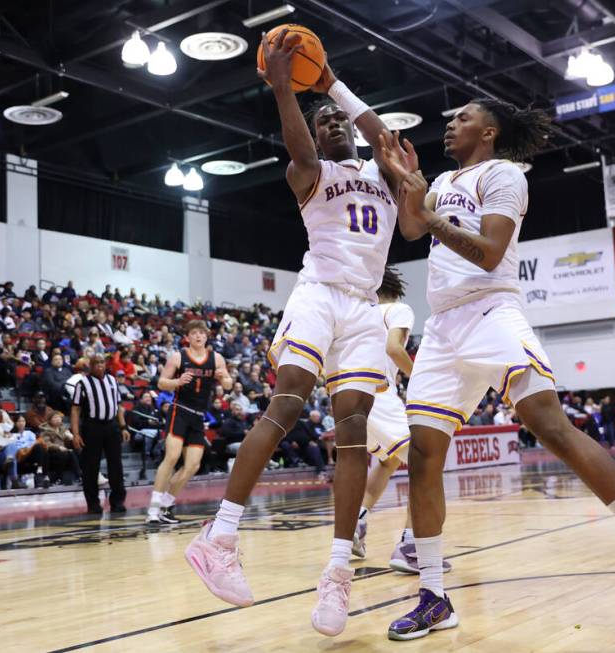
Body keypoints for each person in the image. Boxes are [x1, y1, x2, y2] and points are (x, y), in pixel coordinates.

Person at [377, 98, 615, 640]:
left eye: (462, 117)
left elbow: (489, 251)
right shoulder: (445, 180)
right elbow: (411, 229)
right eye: (448, 116)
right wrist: (404, 179)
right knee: (425, 454)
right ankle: (433, 594)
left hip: (490, 311)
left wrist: (427, 210)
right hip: (445, 327)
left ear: (490, 130)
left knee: (551, 428)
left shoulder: (503, 175)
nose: (449, 122)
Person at [184, 36, 405, 638]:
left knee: (355, 433)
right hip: (319, 295)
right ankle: (220, 535)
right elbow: (300, 143)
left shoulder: (384, 174)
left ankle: (337, 572)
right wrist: (286, 89)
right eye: (323, 120)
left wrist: (330, 79)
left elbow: (381, 135)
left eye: (338, 117)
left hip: (363, 309)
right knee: (285, 407)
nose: (333, 121)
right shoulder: (308, 171)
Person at [351, 266, 440, 575]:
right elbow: (393, 348)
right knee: (424, 464)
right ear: (395, 289)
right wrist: (419, 378)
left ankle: (356, 520)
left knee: (388, 461)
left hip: (348, 400)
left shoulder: (357, 315)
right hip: (378, 396)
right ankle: (410, 546)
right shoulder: (398, 309)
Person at [147, 320, 231, 524]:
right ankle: (153, 510)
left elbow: (228, 384)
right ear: (188, 336)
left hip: (198, 416)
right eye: (194, 333)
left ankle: (166, 505)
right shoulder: (178, 356)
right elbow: (161, 382)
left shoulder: (216, 358)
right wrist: (176, 382)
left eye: (202, 333)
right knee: (172, 457)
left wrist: (223, 378)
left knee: (193, 465)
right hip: (180, 411)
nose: (198, 336)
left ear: (206, 336)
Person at [71, 354, 130, 514]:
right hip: (92, 427)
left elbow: (118, 406)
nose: (99, 366)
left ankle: (118, 502)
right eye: (96, 363)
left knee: (116, 466)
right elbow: (75, 409)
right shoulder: (82, 383)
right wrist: (76, 434)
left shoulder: (112, 380)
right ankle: (93, 504)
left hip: (111, 426)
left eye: (102, 362)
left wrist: (124, 426)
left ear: (105, 364)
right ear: (90, 365)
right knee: (91, 467)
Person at [39, 411, 81, 485]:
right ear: (50, 420)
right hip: (52, 453)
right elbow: (47, 443)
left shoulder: (63, 429)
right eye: (55, 417)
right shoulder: (45, 430)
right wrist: (58, 447)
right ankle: (79, 476)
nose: (58, 419)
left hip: (64, 452)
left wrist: (71, 438)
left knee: (79, 450)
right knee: (70, 453)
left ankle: (86, 474)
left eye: (59, 417)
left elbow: (68, 442)